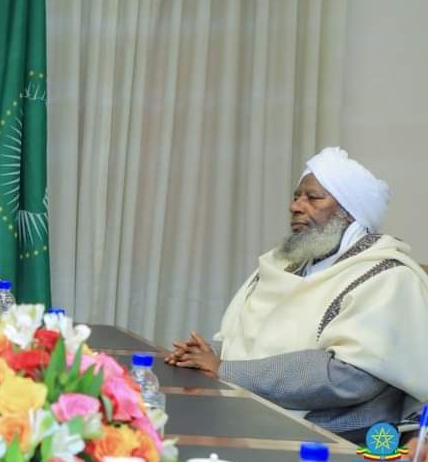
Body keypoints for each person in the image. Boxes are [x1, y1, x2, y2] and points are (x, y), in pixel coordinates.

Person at [165, 147, 428, 442]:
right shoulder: (284, 266)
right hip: (250, 416)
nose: (296, 206)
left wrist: (226, 369)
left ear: (349, 213)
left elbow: (351, 376)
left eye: (313, 198)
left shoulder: (388, 277)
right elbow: (253, 343)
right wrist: (206, 355)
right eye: (296, 197)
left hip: (336, 438)